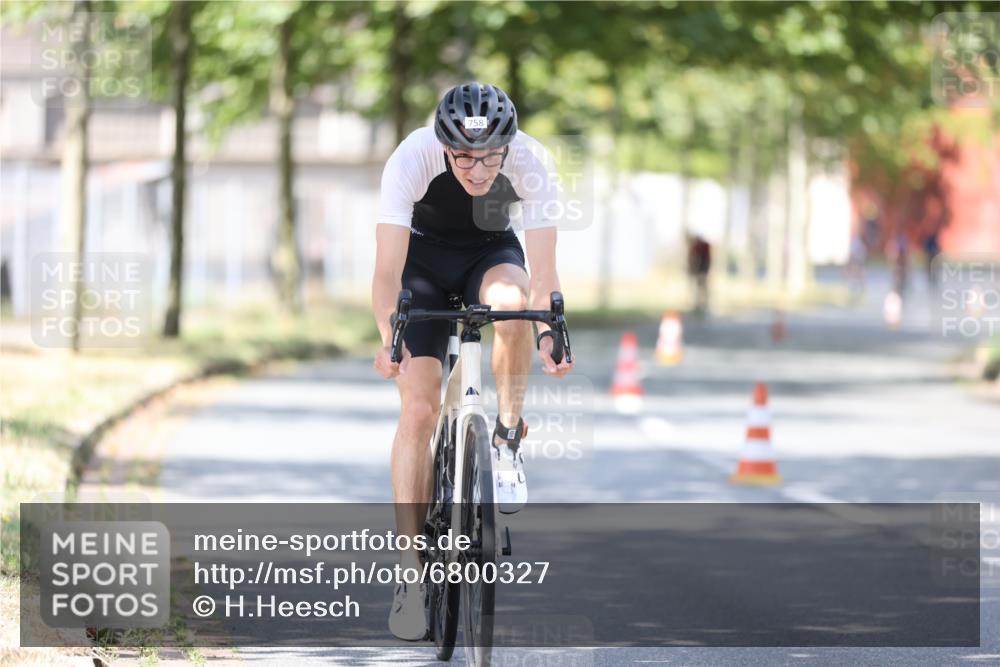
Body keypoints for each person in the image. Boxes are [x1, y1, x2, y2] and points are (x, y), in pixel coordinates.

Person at [371, 82, 573, 640]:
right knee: (418, 408)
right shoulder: (411, 157)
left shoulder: (532, 160)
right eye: (463, 156)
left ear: (508, 147)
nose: (478, 170)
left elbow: (545, 275)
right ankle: (410, 575)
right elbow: (386, 272)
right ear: (443, 144)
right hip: (422, 266)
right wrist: (388, 332)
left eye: (489, 157)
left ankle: (506, 442)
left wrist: (549, 335)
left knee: (511, 307)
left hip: (491, 254)